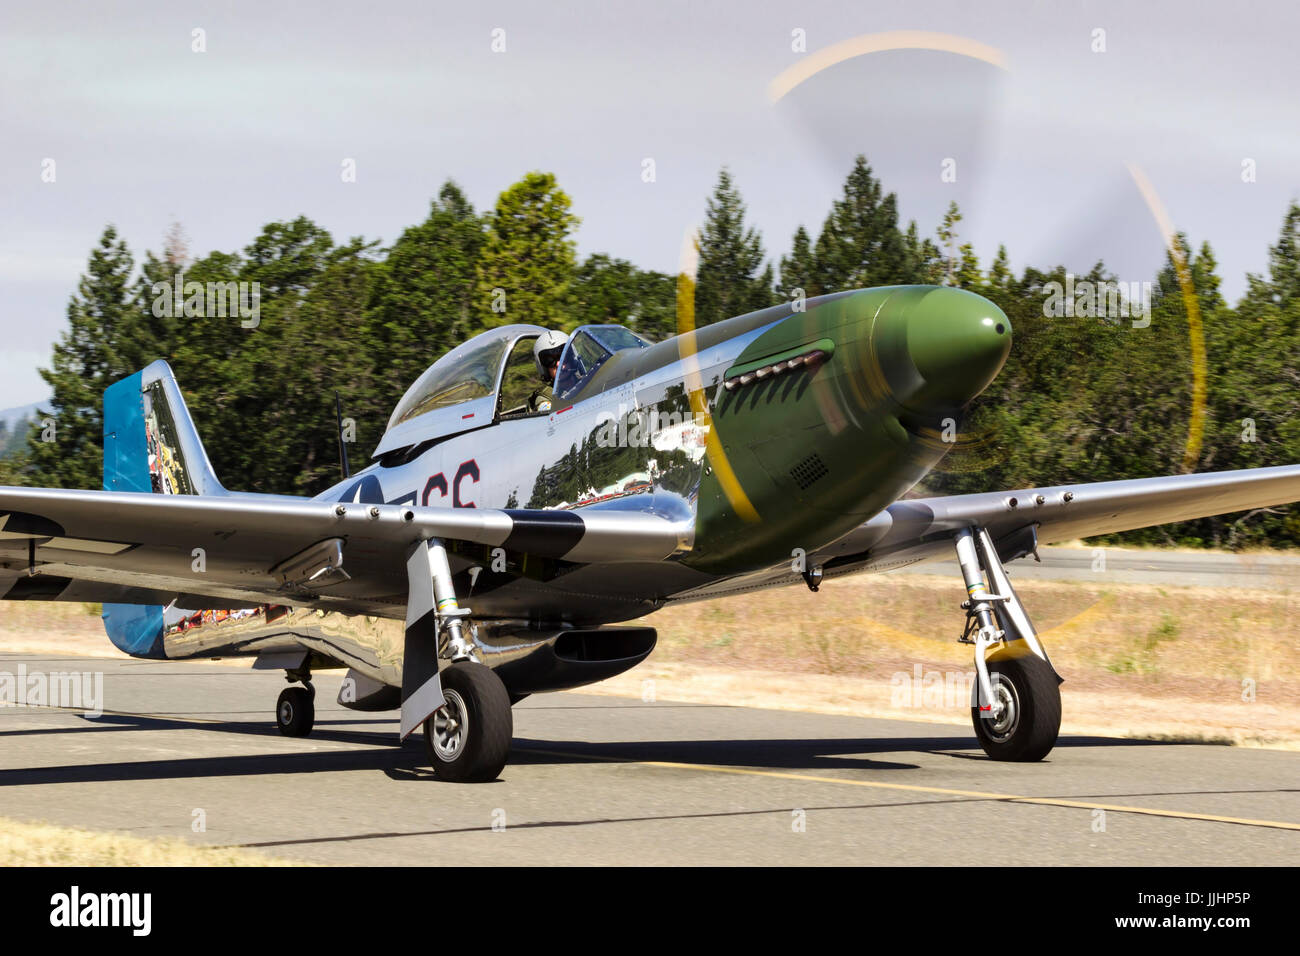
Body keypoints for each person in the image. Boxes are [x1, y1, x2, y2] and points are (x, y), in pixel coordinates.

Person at [530, 330, 567, 412]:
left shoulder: (589, 379)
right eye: (550, 360)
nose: (558, 364)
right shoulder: (545, 400)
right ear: (543, 368)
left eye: (563, 356)